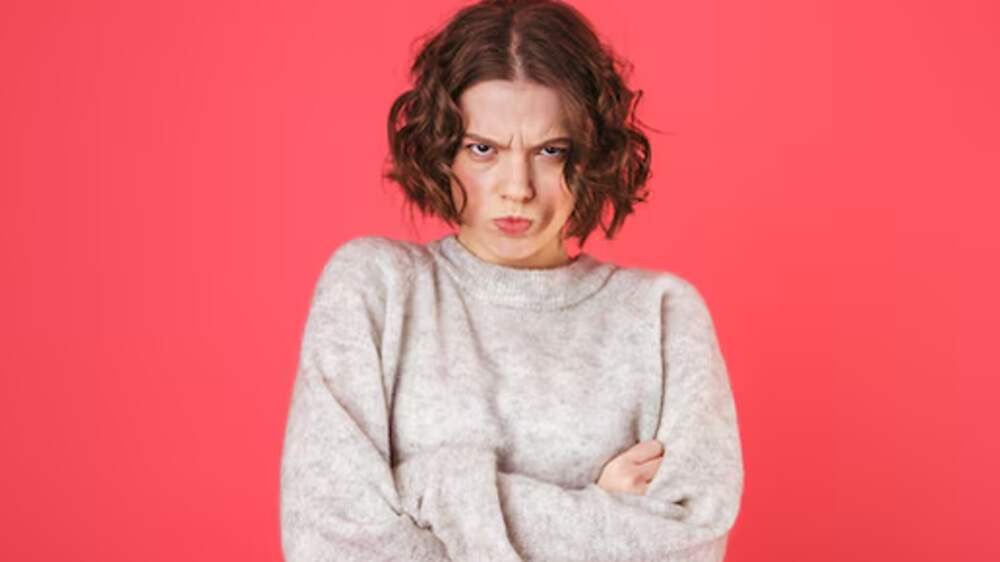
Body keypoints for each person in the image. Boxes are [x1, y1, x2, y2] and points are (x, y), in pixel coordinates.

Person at [279, 0, 745, 560]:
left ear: (591, 154)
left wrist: (434, 489)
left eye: (550, 151)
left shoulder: (662, 316)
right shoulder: (376, 290)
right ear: (441, 150)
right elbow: (328, 543)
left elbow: (688, 546)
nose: (517, 187)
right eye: (483, 149)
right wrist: (598, 512)